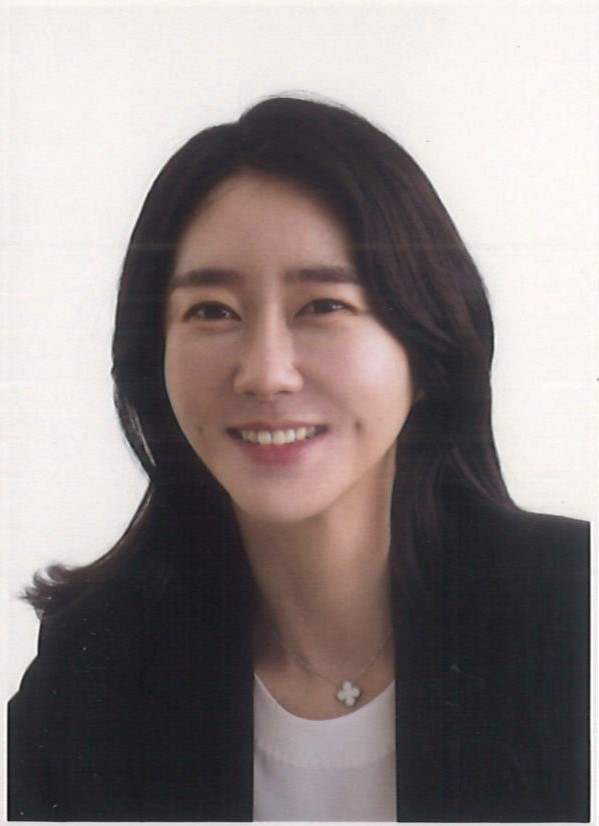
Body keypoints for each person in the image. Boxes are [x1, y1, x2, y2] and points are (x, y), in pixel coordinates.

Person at [8, 96, 589, 822]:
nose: (266, 373)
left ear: (426, 346)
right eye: (212, 311)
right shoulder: (90, 671)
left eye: (323, 306)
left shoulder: (572, 613)